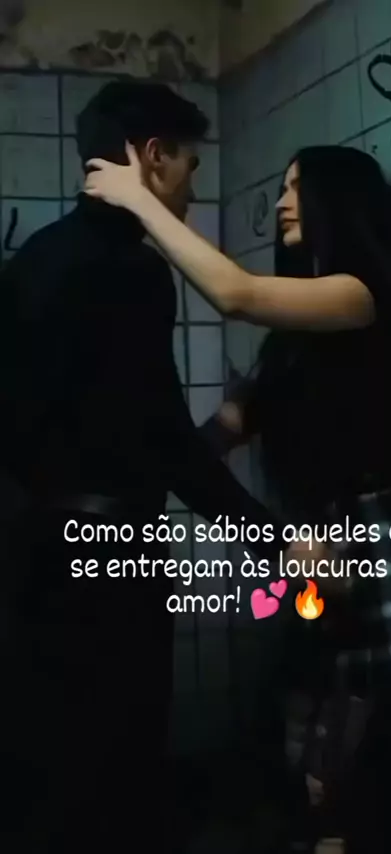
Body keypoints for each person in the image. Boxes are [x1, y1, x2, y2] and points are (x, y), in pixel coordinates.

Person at [84, 143, 391, 854]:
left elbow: (234, 293)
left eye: (300, 187)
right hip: (327, 560)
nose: (283, 202)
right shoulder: (294, 345)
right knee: (326, 780)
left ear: (340, 203)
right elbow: (217, 436)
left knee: (372, 785)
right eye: (284, 186)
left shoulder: (362, 296)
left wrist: (138, 197)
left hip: (383, 555)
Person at [0, 81, 305, 853]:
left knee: (50, 778)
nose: (194, 189)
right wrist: (272, 539)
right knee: (118, 778)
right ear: (153, 157)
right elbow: (161, 441)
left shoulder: (33, 260)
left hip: (33, 558)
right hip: (108, 567)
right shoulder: (132, 270)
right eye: (190, 167)